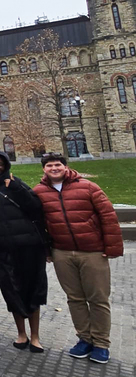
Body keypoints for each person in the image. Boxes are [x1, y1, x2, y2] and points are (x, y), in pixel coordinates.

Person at [34, 153, 123, 364]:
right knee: (75, 298)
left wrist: (112, 248)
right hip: (62, 252)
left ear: (65, 167)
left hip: (92, 251)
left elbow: (108, 217)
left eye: (58, 164)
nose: (54, 168)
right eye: (49, 165)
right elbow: (38, 224)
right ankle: (84, 339)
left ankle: (101, 343)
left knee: (98, 298)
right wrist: (47, 251)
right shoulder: (38, 192)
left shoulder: (88, 187)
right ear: (44, 169)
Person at [0, 151, 47, 353]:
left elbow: (35, 207)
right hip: (3, 247)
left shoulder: (15, 182)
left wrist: (15, 187)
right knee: (11, 290)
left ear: (6, 166)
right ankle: (21, 334)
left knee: (33, 290)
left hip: (29, 245)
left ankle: (35, 336)